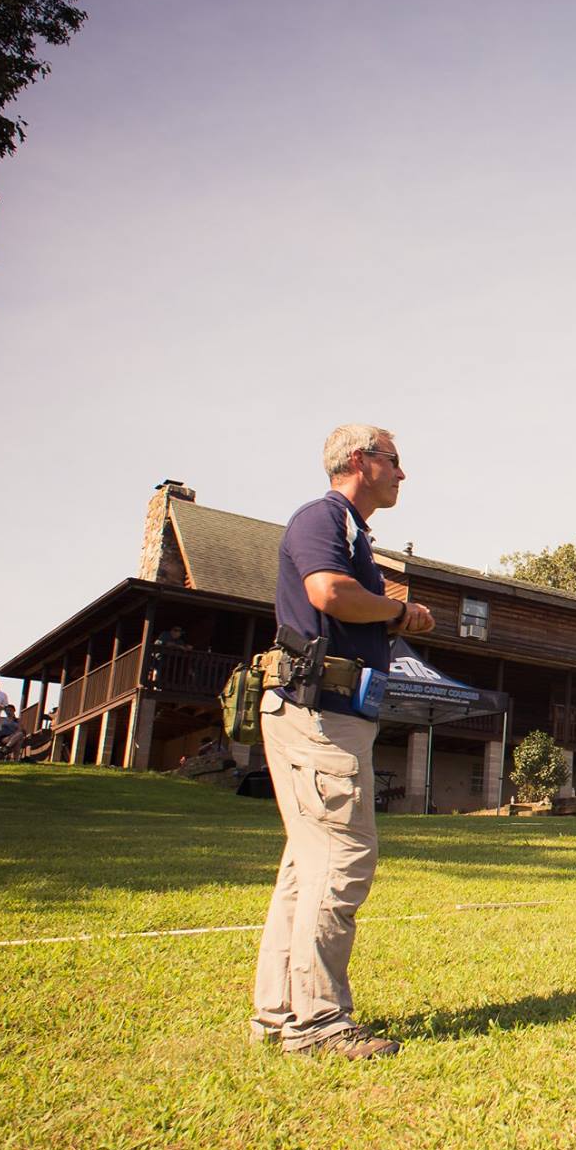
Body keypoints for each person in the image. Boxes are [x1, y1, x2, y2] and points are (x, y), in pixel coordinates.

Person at [249, 424, 435, 1060]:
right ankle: (318, 1024)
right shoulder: (320, 518)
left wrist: (389, 610)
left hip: (330, 713)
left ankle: (280, 1015)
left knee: (306, 869)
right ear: (361, 460)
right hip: (317, 714)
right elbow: (329, 593)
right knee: (344, 856)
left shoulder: (352, 531)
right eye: (394, 461)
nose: (401, 474)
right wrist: (398, 611)